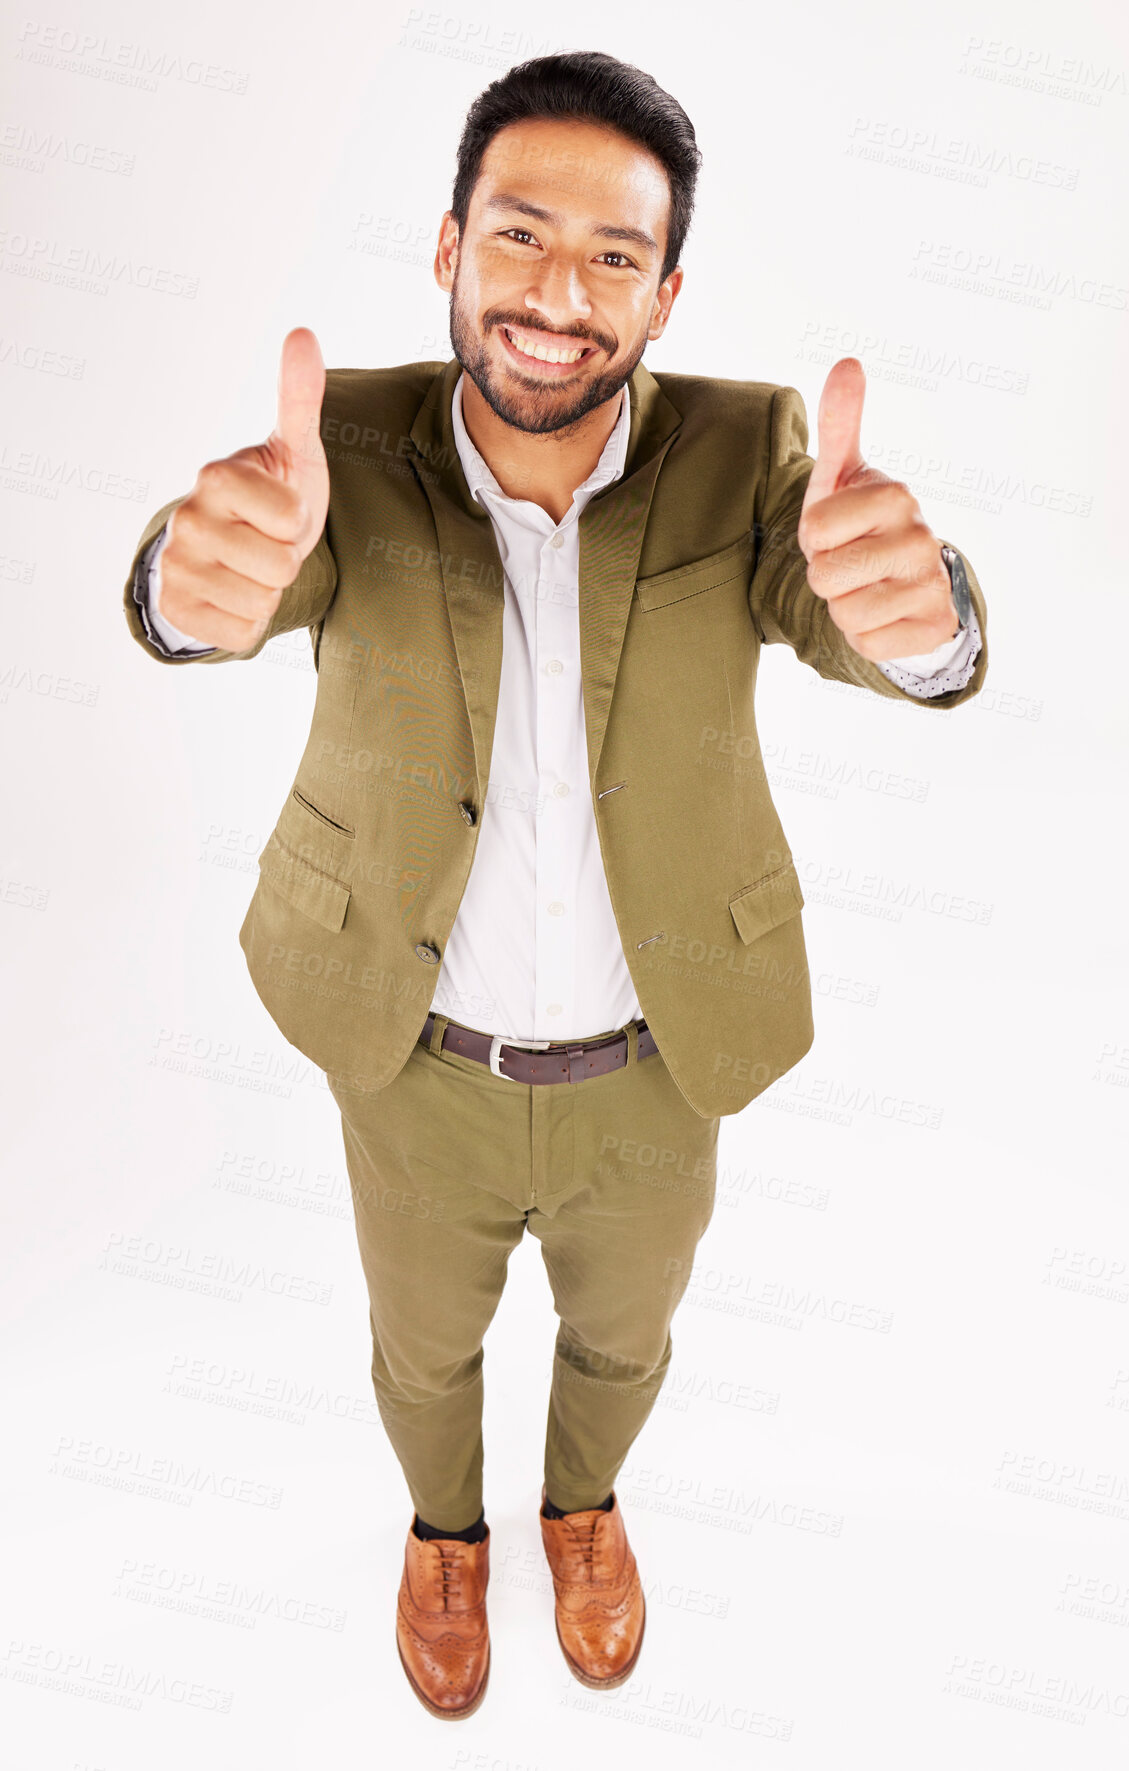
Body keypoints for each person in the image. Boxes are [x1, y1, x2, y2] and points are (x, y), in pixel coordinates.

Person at [121, 50, 987, 1721]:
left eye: (612, 257)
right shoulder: (348, 445)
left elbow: (856, 604)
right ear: (447, 248)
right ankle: (445, 1534)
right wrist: (182, 582)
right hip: (412, 1054)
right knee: (421, 1347)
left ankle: (579, 1511)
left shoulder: (745, 455)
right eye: (519, 235)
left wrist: (922, 617)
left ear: (664, 295)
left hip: (656, 1064)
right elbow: (232, 566)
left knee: (624, 1342)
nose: (556, 296)